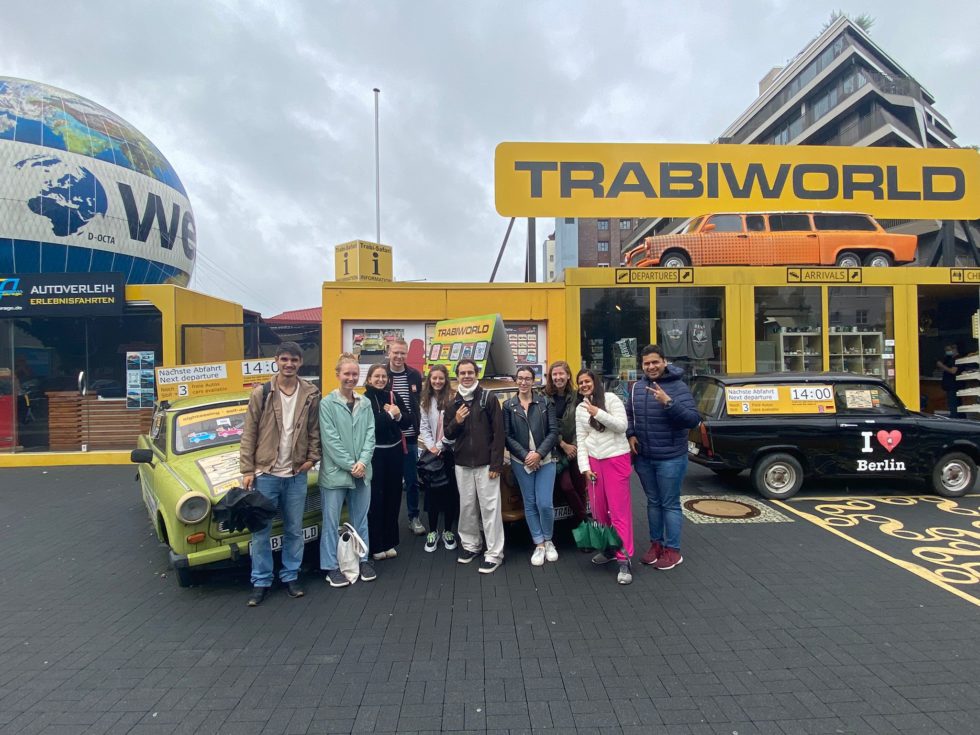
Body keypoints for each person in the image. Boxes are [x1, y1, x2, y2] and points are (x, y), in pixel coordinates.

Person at [239, 342, 321, 607]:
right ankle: (261, 581)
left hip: (296, 473)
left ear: (300, 362)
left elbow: (314, 430)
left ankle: (290, 576)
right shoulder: (262, 393)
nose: (289, 364)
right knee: (261, 530)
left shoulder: (310, 393)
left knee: (294, 529)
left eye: (294, 360)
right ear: (276, 360)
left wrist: (312, 458)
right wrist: (247, 469)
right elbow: (249, 433)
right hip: (266, 473)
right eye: (284, 359)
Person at [626, 344, 701, 571]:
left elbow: (693, 420)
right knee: (653, 502)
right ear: (642, 365)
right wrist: (630, 434)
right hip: (645, 458)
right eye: (647, 363)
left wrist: (668, 403)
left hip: (670, 458)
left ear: (664, 362)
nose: (651, 367)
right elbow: (629, 414)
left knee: (669, 504)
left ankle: (673, 550)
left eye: (655, 362)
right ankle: (656, 545)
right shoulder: (637, 387)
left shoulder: (678, 387)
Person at [319, 353, 376, 588]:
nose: (351, 378)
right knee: (331, 522)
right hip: (336, 473)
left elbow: (370, 435)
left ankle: (363, 559)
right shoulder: (327, 404)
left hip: (362, 472)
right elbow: (330, 441)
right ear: (337, 375)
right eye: (347, 374)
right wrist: (350, 465)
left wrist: (362, 462)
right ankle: (331, 567)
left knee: (361, 519)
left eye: (354, 374)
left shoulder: (365, 403)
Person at [444, 358, 506, 574]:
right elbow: (448, 434)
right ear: (457, 376)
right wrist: (457, 421)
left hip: (486, 464)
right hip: (462, 464)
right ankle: (471, 545)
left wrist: (496, 464)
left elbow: (499, 434)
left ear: (477, 374)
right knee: (467, 508)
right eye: (462, 373)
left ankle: (494, 553)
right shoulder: (452, 403)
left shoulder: (488, 398)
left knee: (490, 509)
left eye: (470, 372)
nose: (467, 376)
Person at [574, 369, 634, 585]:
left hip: (616, 459)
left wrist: (597, 412)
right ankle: (609, 550)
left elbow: (622, 426)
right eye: (580, 382)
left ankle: (624, 559)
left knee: (619, 512)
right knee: (599, 511)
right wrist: (584, 467)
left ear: (595, 382)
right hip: (593, 463)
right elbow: (581, 440)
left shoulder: (611, 399)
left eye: (587, 381)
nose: (584, 385)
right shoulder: (580, 408)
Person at [504, 365, 560, 566]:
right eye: (520, 378)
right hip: (521, 462)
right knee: (529, 502)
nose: (524, 382)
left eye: (528, 378)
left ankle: (548, 539)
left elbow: (554, 432)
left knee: (544, 503)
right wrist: (526, 455)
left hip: (545, 460)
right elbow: (507, 436)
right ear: (515, 380)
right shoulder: (509, 406)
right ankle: (539, 544)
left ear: (534, 381)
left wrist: (538, 454)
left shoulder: (545, 402)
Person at [363, 364, 411, 561]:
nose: (381, 380)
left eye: (383, 376)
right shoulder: (364, 399)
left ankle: (390, 541)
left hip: (395, 452)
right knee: (376, 499)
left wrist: (398, 414)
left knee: (393, 497)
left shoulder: (394, 396)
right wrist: (390, 415)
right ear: (369, 379)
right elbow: (371, 425)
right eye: (377, 376)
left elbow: (409, 421)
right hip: (375, 455)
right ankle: (376, 544)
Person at [386, 338, 425, 536]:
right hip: (388, 438)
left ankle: (414, 517)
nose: (399, 357)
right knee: (390, 482)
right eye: (396, 353)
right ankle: (388, 520)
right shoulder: (382, 374)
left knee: (412, 481)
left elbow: (418, 403)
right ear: (389, 352)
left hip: (410, 436)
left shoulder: (414, 375)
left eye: (403, 353)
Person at [418, 364, 459, 553]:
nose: (437, 381)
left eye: (441, 378)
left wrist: (441, 446)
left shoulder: (454, 398)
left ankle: (448, 531)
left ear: (446, 379)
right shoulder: (426, 400)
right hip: (433, 454)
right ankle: (433, 531)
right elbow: (424, 427)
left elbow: (455, 427)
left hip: (450, 452)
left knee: (450, 494)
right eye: (434, 378)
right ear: (429, 379)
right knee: (432, 495)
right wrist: (432, 447)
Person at [543, 361, 589, 525]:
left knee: (580, 487)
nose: (558, 377)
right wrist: (563, 444)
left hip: (576, 449)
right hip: (554, 451)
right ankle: (585, 520)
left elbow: (583, 423)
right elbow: (545, 425)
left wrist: (574, 446)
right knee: (567, 486)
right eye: (554, 374)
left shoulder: (577, 396)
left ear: (568, 375)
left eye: (561, 373)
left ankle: (582, 530)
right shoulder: (544, 397)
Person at [937, 343, 963, 418]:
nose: (947, 352)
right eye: (946, 350)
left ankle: (955, 419)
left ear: (954, 349)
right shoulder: (949, 358)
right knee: (953, 405)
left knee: (954, 406)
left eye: (948, 350)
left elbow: (953, 371)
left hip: (954, 386)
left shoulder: (957, 359)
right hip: (950, 386)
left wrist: (942, 366)